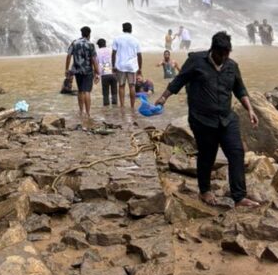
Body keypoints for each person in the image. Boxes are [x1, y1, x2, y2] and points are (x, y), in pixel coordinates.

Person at [155, 30, 260, 209]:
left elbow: (240, 90)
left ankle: (239, 197)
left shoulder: (232, 66)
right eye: (221, 54)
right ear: (213, 50)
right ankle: (205, 190)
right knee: (207, 154)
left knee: (236, 153)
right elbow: (178, 81)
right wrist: (163, 98)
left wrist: (250, 110)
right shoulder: (196, 61)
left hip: (226, 119)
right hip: (202, 119)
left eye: (227, 54)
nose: (224, 58)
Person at [65, 26, 99, 117]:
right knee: (87, 91)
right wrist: (97, 72)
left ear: (81, 33)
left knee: (80, 91)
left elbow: (68, 56)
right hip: (88, 71)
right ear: (89, 34)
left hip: (77, 70)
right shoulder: (90, 44)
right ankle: (88, 113)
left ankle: (81, 111)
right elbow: (94, 59)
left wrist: (67, 69)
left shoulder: (74, 43)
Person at [111, 22, 142, 111]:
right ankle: (132, 106)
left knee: (121, 86)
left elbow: (113, 53)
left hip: (120, 65)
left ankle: (122, 106)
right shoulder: (135, 40)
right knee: (132, 86)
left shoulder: (117, 39)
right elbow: (139, 55)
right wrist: (140, 68)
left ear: (122, 29)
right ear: (131, 29)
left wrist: (113, 66)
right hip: (132, 66)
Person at [96, 37, 117, 105]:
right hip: (113, 72)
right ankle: (115, 104)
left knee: (105, 92)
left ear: (98, 45)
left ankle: (106, 106)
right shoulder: (111, 50)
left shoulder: (97, 52)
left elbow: (96, 63)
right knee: (114, 91)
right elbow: (116, 59)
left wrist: (96, 74)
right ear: (105, 44)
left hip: (104, 74)